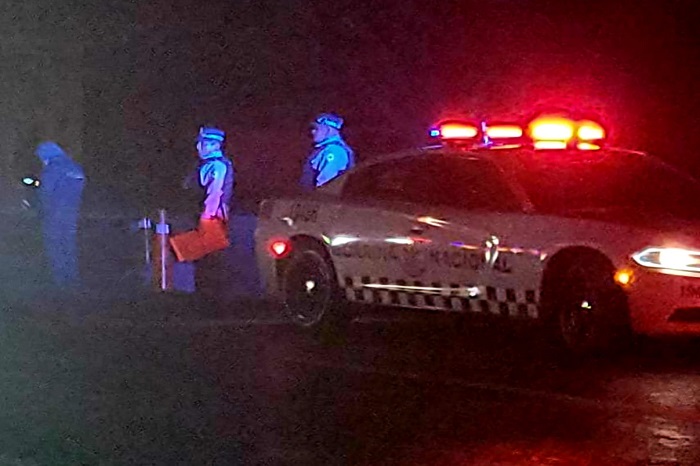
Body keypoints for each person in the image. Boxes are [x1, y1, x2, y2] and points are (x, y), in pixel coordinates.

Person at [170, 126, 235, 298]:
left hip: (210, 218)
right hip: (201, 217)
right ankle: (204, 293)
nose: (199, 147)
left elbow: (215, 193)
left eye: (204, 144)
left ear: (215, 145)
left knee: (210, 260)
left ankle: (211, 295)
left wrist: (206, 218)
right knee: (202, 260)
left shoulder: (217, 165)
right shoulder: (203, 165)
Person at [35, 141, 86, 288]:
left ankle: (60, 281)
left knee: (55, 245)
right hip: (72, 212)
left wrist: (39, 205)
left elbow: (45, 192)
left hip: (54, 212)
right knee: (69, 244)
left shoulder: (52, 168)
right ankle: (73, 278)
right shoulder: (75, 167)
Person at [300, 112, 355, 190]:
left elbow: (325, 185)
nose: (313, 132)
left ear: (328, 129)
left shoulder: (334, 151)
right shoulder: (325, 149)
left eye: (316, 128)